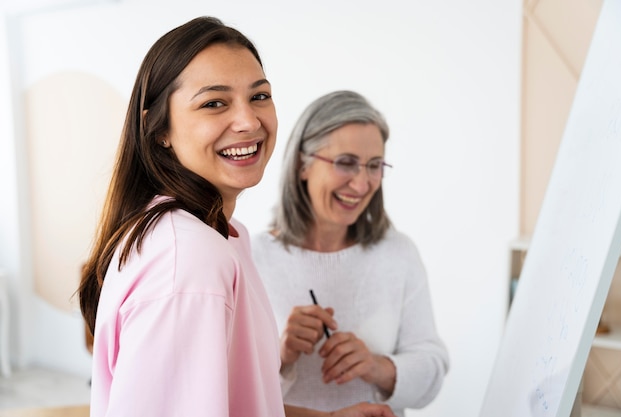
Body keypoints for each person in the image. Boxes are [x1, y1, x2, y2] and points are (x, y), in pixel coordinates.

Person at [78, 18, 395, 417]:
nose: (248, 121)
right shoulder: (188, 260)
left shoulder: (217, 237)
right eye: (214, 103)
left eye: (260, 96)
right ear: (158, 129)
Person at [251, 90, 450, 416]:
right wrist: (282, 354)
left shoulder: (397, 254)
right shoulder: (253, 258)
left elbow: (432, 373)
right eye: (346, 163)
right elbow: (231, 391)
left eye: (374, 166)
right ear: (303, 165)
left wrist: (377, 366)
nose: (361, 184)